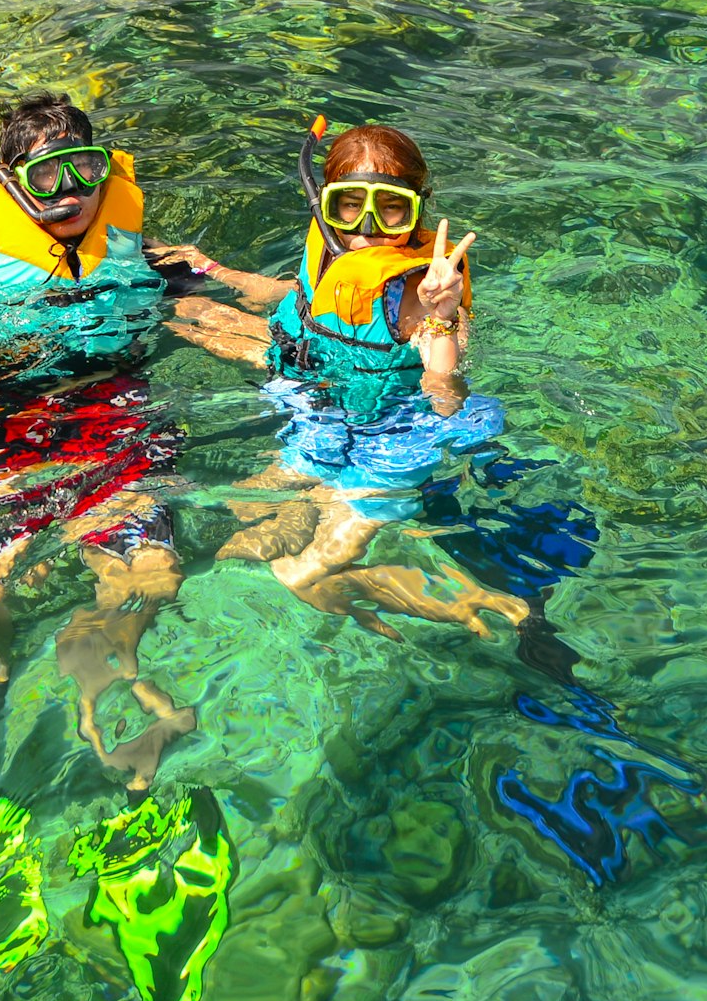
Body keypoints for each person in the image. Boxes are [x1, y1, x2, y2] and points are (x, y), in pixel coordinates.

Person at [0, 82, 232, 786]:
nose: (70, 191)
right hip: (15, 434)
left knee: (157, 577)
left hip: (115, 419)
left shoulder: (140, 257)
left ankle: (105, 665)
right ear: (10, 186)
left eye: (85, 168)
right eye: (46, 174)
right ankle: (7, 674)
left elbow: (245, 296)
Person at [194, 122, 526, 636]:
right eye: (350, 204)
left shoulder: (421, 286)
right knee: (242, 513)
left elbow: (444, 389)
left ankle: (442, 594)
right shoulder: (331, 248)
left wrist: (442, 311)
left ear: (417, 206)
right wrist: (225, 278)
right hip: (323, 407)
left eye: (390, 207)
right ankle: (333, 569)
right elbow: (309, 299)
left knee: (294, 569)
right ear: (325, 204)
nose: (368, 224)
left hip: (393, 440)